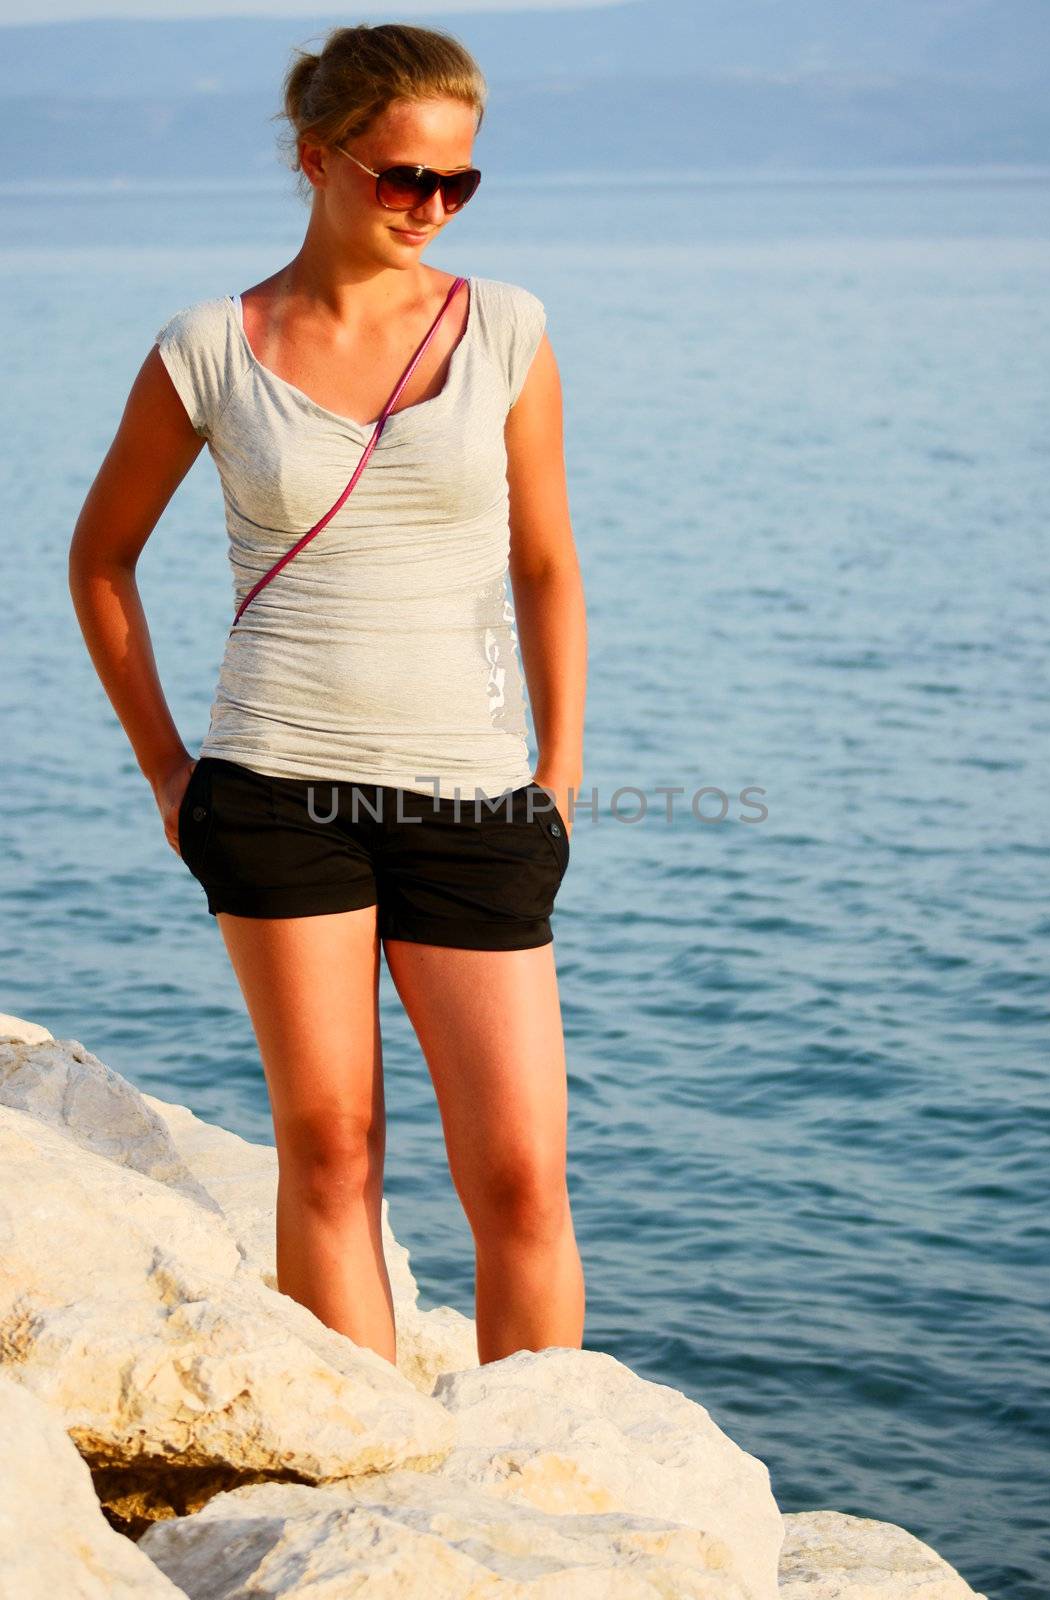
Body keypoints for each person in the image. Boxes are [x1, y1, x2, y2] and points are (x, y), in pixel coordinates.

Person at [67, 22, 588, 1368]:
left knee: (522, 1178)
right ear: (315, 159)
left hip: (476, 799)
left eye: (457, 184)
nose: (430, 207)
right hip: (276, 792)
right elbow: (101, 559)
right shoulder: (212, 347)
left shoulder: (508, 328)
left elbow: (546, 563)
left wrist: (562, 773)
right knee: (335, 1149)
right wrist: (170, 775)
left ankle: (531, 1474)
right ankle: (365, 1474)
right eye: (401, 176)